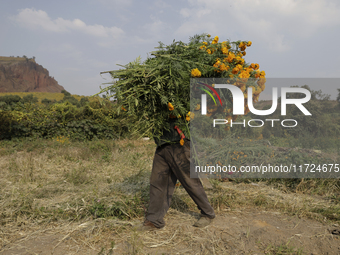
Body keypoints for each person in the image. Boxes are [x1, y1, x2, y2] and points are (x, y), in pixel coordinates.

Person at [141, 118, 215, 230]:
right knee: (157, 182)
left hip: (179, 142)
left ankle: (208, 213)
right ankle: (154, 220)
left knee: (189, 181)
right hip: (162, 143)